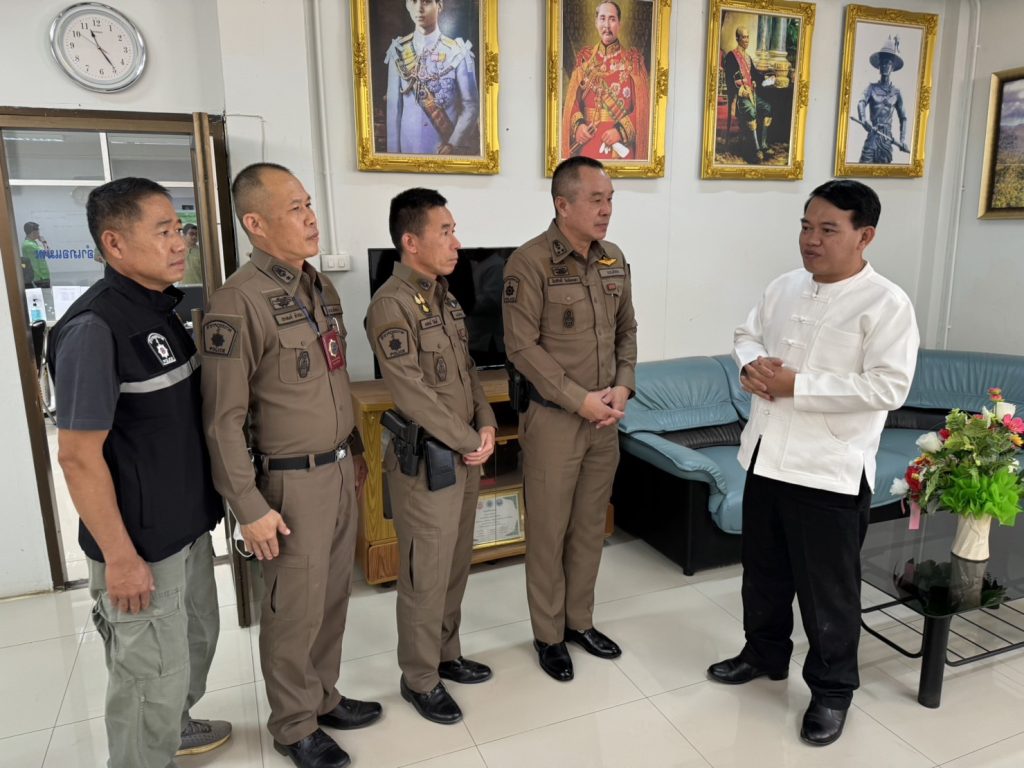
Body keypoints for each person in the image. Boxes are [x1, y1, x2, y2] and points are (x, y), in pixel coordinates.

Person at [707, 180, 920, 746]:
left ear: (864, 236)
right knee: (763, 572)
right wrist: (751, 365)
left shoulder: (886, 304)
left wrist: (797, 385)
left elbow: (890, 387)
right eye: (806, 226)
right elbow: (747, 335)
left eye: (828, 229)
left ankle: (831, 691)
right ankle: (764, 653)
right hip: (765, 456)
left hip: (829, 469)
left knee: (828, 591)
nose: (811, 240)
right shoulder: (783, 286)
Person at [201, 163, 380, 768]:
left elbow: (332, 378)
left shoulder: (318, 288)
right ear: (255, 223)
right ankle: (293, 725)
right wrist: (249, 508)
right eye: (295, 208)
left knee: (331, 598)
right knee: (292, 610)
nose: (310, 217)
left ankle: (323, 696)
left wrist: (354, 449)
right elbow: (222, 421)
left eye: (309, 203)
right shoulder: (237, 301)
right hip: (287, 483)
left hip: (337, 469)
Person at [47, 178, 230, 766]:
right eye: (163, 231)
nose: (179, 243)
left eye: (180, 229)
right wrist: (120, 559)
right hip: (139, 546)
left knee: (194, 643)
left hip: (185, 526)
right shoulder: (93, 329)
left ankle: (174, 728)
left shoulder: (160, 310)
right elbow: (77, 457)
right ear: (115, 243)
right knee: (148, 676)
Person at [502, 156, 638, 682]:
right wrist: (578, 400)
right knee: (549, 532)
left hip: (605, 420)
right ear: (563, 204)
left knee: (588, 527)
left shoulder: (614, 258)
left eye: (610, 200)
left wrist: (623, 386)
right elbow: (522, 348)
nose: (607, 210)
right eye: (596, 200)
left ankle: (580, 621)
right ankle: (548, 634)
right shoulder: (529, 263)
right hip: (556, 421)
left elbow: (627, 330)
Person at [366, 188, 497, 725]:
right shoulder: (390, 305)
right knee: (425, 574)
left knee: (455, 563)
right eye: (445, 232)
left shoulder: (444, 297)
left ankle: (446, 653)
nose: (456, 242)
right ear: (411, 242)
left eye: (454, 230)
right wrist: (469, 440)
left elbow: (468, 372)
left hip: (464, 453)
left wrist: (486, 423)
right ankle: (419, 677)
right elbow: (413, 393)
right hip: (426, 464)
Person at [385, 0, 479, 155]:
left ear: (439, 5)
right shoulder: (398, 51)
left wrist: (453, 144)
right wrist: (393, 158)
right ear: (407, 5)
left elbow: (471, 106)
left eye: (427, 1)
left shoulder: (457, 53)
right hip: (408, 152)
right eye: (414, 1)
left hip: (444, 152)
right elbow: (393, 111)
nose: (419, 8)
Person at [561, 2, 651, 161]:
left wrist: (619, 131)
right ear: (596, 22)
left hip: (620, 149)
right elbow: (572, 104)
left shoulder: (633, 62)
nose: (607, 25)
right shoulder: (585, 60)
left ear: (619, 24)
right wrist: (579, 126)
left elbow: (643, 110)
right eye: (602, 18)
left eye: (612, 19)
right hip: (587, 146)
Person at [722, 26, 776, 163]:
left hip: (752, 95)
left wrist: (767, 79)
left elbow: (755, 75)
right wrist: (741, 90)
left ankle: (763, 145)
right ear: (737, 38)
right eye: (743, 37)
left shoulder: (748, 58)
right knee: (751, 111)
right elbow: (729, 79)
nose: (746, 40)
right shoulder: (731, 56)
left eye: (747, 37)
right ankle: (756, 149)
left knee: (767, 107)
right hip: (740, 98)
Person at [857, 36, 909, 164]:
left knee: (883, 171)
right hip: (873, 134)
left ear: (893, 67)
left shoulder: (896, 93)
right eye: (883, 63)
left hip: (887, 139)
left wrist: (902, 140)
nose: (885, 66)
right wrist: (863, 119)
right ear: (879, 66)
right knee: (863, 167)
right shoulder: (871, 88)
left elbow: (903, 118)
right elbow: (861, 102)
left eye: (888, 63)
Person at [22, 221, 51, 288]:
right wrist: (44, 241)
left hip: (42, 276)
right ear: (33, 232)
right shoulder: (29, 245)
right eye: (38, 232)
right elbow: (48, 253)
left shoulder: (33, 242)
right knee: (45, 294)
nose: (39, 234)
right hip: (39, 278)